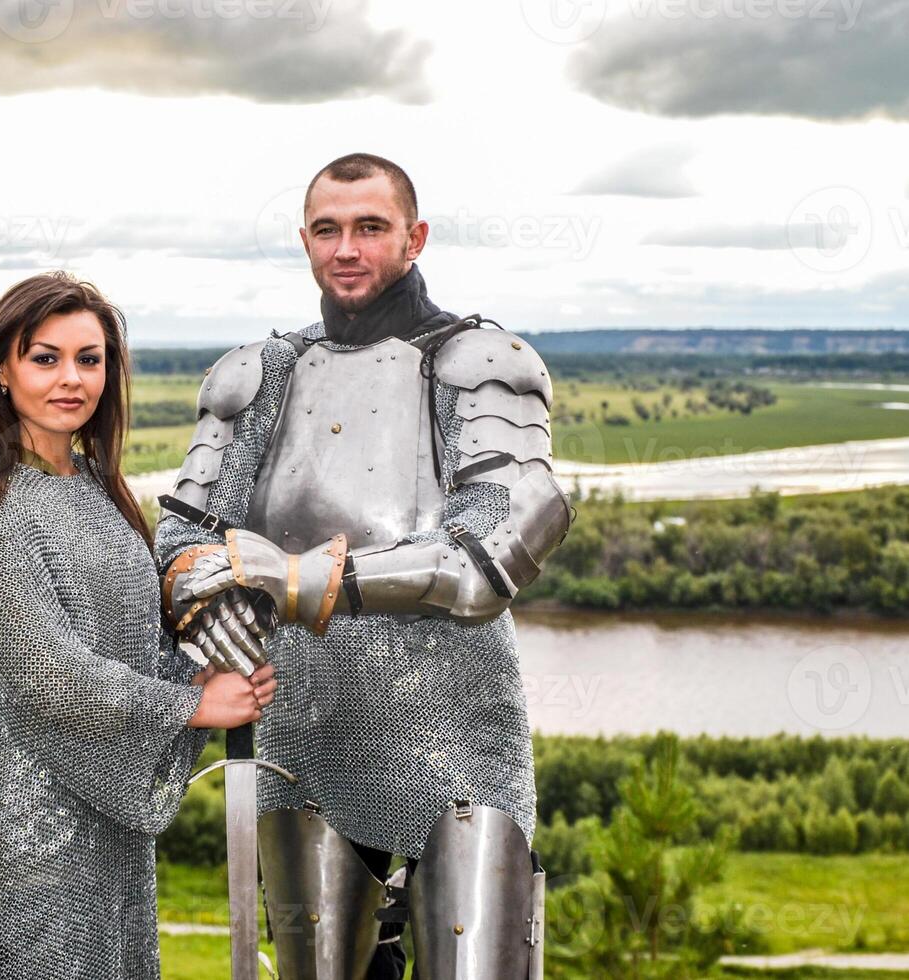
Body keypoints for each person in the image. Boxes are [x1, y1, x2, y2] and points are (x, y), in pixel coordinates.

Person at [155, 155, 572, 978]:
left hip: (450, 737)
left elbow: (488, 558)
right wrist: (200, 589)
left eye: (370, 228)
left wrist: (296, 580)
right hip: (301, 736)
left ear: (413, 239)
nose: (347, 248)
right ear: (305, 241)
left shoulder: (478, 364)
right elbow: (183, 535)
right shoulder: (258, 375)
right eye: (327, 229)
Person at [0, 271, 277, 980]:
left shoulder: (97, 487)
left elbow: (129, 645)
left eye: (89, 359)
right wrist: (191, 705)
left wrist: (203, 669)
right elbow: (42, 678)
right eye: (44, 357)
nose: (71, 379)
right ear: (2, 370)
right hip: (17, 837)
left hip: (105, 829)